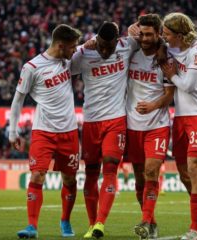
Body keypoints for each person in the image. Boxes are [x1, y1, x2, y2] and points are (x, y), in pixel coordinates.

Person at [9, 24, 81, 239]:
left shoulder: (67, 61)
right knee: (38, 174)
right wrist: (13, 132)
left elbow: (90, 46)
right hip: (43, 131)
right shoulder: (32, 67)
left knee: (69, 179)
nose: (75, 51)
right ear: (61, 45)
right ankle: (32, 226)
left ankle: (65, 220)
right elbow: (17, 100)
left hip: (69, 131)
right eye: (72, 47)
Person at [71, 22, 139, 239]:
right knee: (90, 174)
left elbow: (149, 35)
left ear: (117, 41)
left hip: (116, 120)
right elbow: (66, 65)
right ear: (96, 39)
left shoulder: (127, 45)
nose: (105, 51)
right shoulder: (84, 53)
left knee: (110, 169)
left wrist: (136, 25)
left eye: (109, 47)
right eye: (101, 46)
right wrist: (82, 46)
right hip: (91, 121)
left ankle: (100, 222)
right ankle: (92, 224)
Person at [160, 13, 197, 240]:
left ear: (179, 34)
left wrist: (171, 75)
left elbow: (188, 85)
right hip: (182, 117)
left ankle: (195, 228)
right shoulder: (170, 48)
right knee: (185, 173)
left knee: (195, 168)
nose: (164, 38)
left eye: (167, 34)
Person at [125, 14, 174, 240]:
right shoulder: (130, 53)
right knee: (140, 179)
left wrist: (152, 105)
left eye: (149, 34)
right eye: (142, 33)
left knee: (151, 170)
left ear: (158, 34)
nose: (144, 38)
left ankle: (144, 221)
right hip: (132, 125)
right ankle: (151, 223)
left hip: (157, 125)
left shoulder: (166, 60)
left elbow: (168, 96)